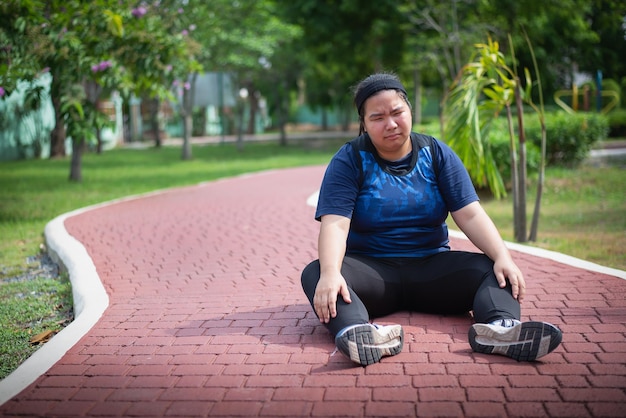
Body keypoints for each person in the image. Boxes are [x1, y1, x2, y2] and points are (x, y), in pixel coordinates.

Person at [301, 72, 562, 366]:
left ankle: (502, 331)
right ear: (364, 122)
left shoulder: (436, 154)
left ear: (410, 111)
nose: (390, 124)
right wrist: (332, 272)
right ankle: (359, 334)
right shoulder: (350, 159)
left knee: (494, 268)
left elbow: (470, 213)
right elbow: (336, 223)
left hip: (432, 270)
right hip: (373, 274)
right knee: (317, 273)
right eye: (377, 117)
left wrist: (503, 255)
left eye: (397, 112)